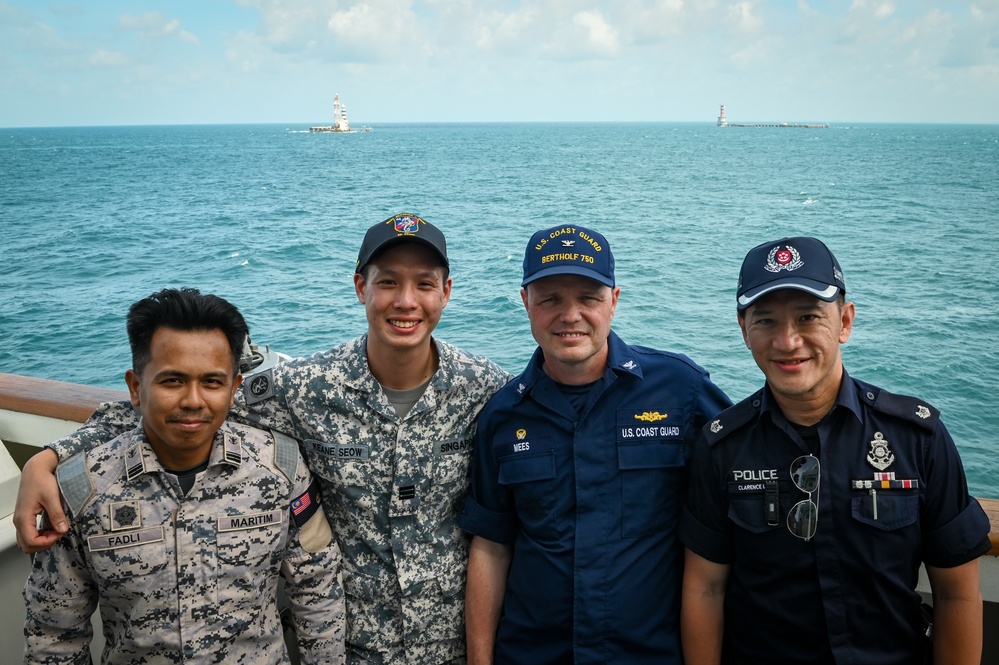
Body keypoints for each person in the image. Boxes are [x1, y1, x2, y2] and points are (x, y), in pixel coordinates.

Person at [15, 214, 511, 665]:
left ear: (446, 291)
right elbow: (184, 406)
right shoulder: (305, 387)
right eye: (388, 283)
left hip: (453, 642)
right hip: (356, 644)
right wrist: (52, 456)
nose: (406, 301)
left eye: (424, 284)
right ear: (361, 288)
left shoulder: (485, 388)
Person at [680, 236, 992, 665]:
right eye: (766, 321)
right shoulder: (722, 448)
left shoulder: (917, 439)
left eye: (808, 318)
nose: (787, 342)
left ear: (845, 322)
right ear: (743, 329)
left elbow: (957, 593)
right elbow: (705, 588)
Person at [22, 287, 345, 664]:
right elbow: (55, 632)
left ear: (233, 388)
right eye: (172, 381)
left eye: (212, 382)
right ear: (135, 387)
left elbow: (318, 591)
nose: (193, 400)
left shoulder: (282, 468)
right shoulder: (83, 486)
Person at [458, 225, 731, 664]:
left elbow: (744, 473)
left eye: (588, 298)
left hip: (648, 654)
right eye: (550, 299)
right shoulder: (504, 414)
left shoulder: (681, 389)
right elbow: (491, 547)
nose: (570, 316)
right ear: (526, 302)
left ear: (614, 301)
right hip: (534, 654)